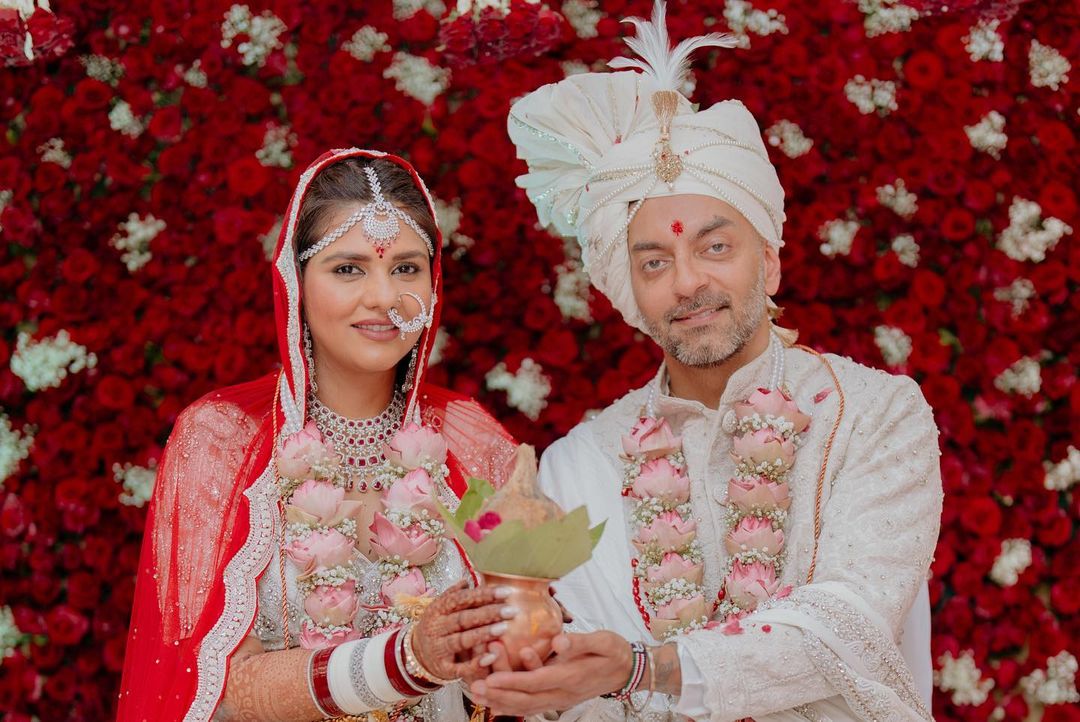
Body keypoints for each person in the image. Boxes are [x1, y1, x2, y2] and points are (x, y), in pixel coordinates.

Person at [472, 3, 944, 720]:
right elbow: (566, 685)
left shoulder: (877, 415)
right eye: (654, 260)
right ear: (628, 290)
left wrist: (645, 669)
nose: (688, 281)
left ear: (773, 262)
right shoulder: (579, 466)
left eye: (715, 247)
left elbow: (851, 623)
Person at [117, 149, 520, 722]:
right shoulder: (221, 439)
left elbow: (523, 646)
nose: (384, 298)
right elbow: (208, 681)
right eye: (348, 268)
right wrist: (406, 659)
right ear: (295, 281)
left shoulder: (473, 440)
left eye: (406, 268)